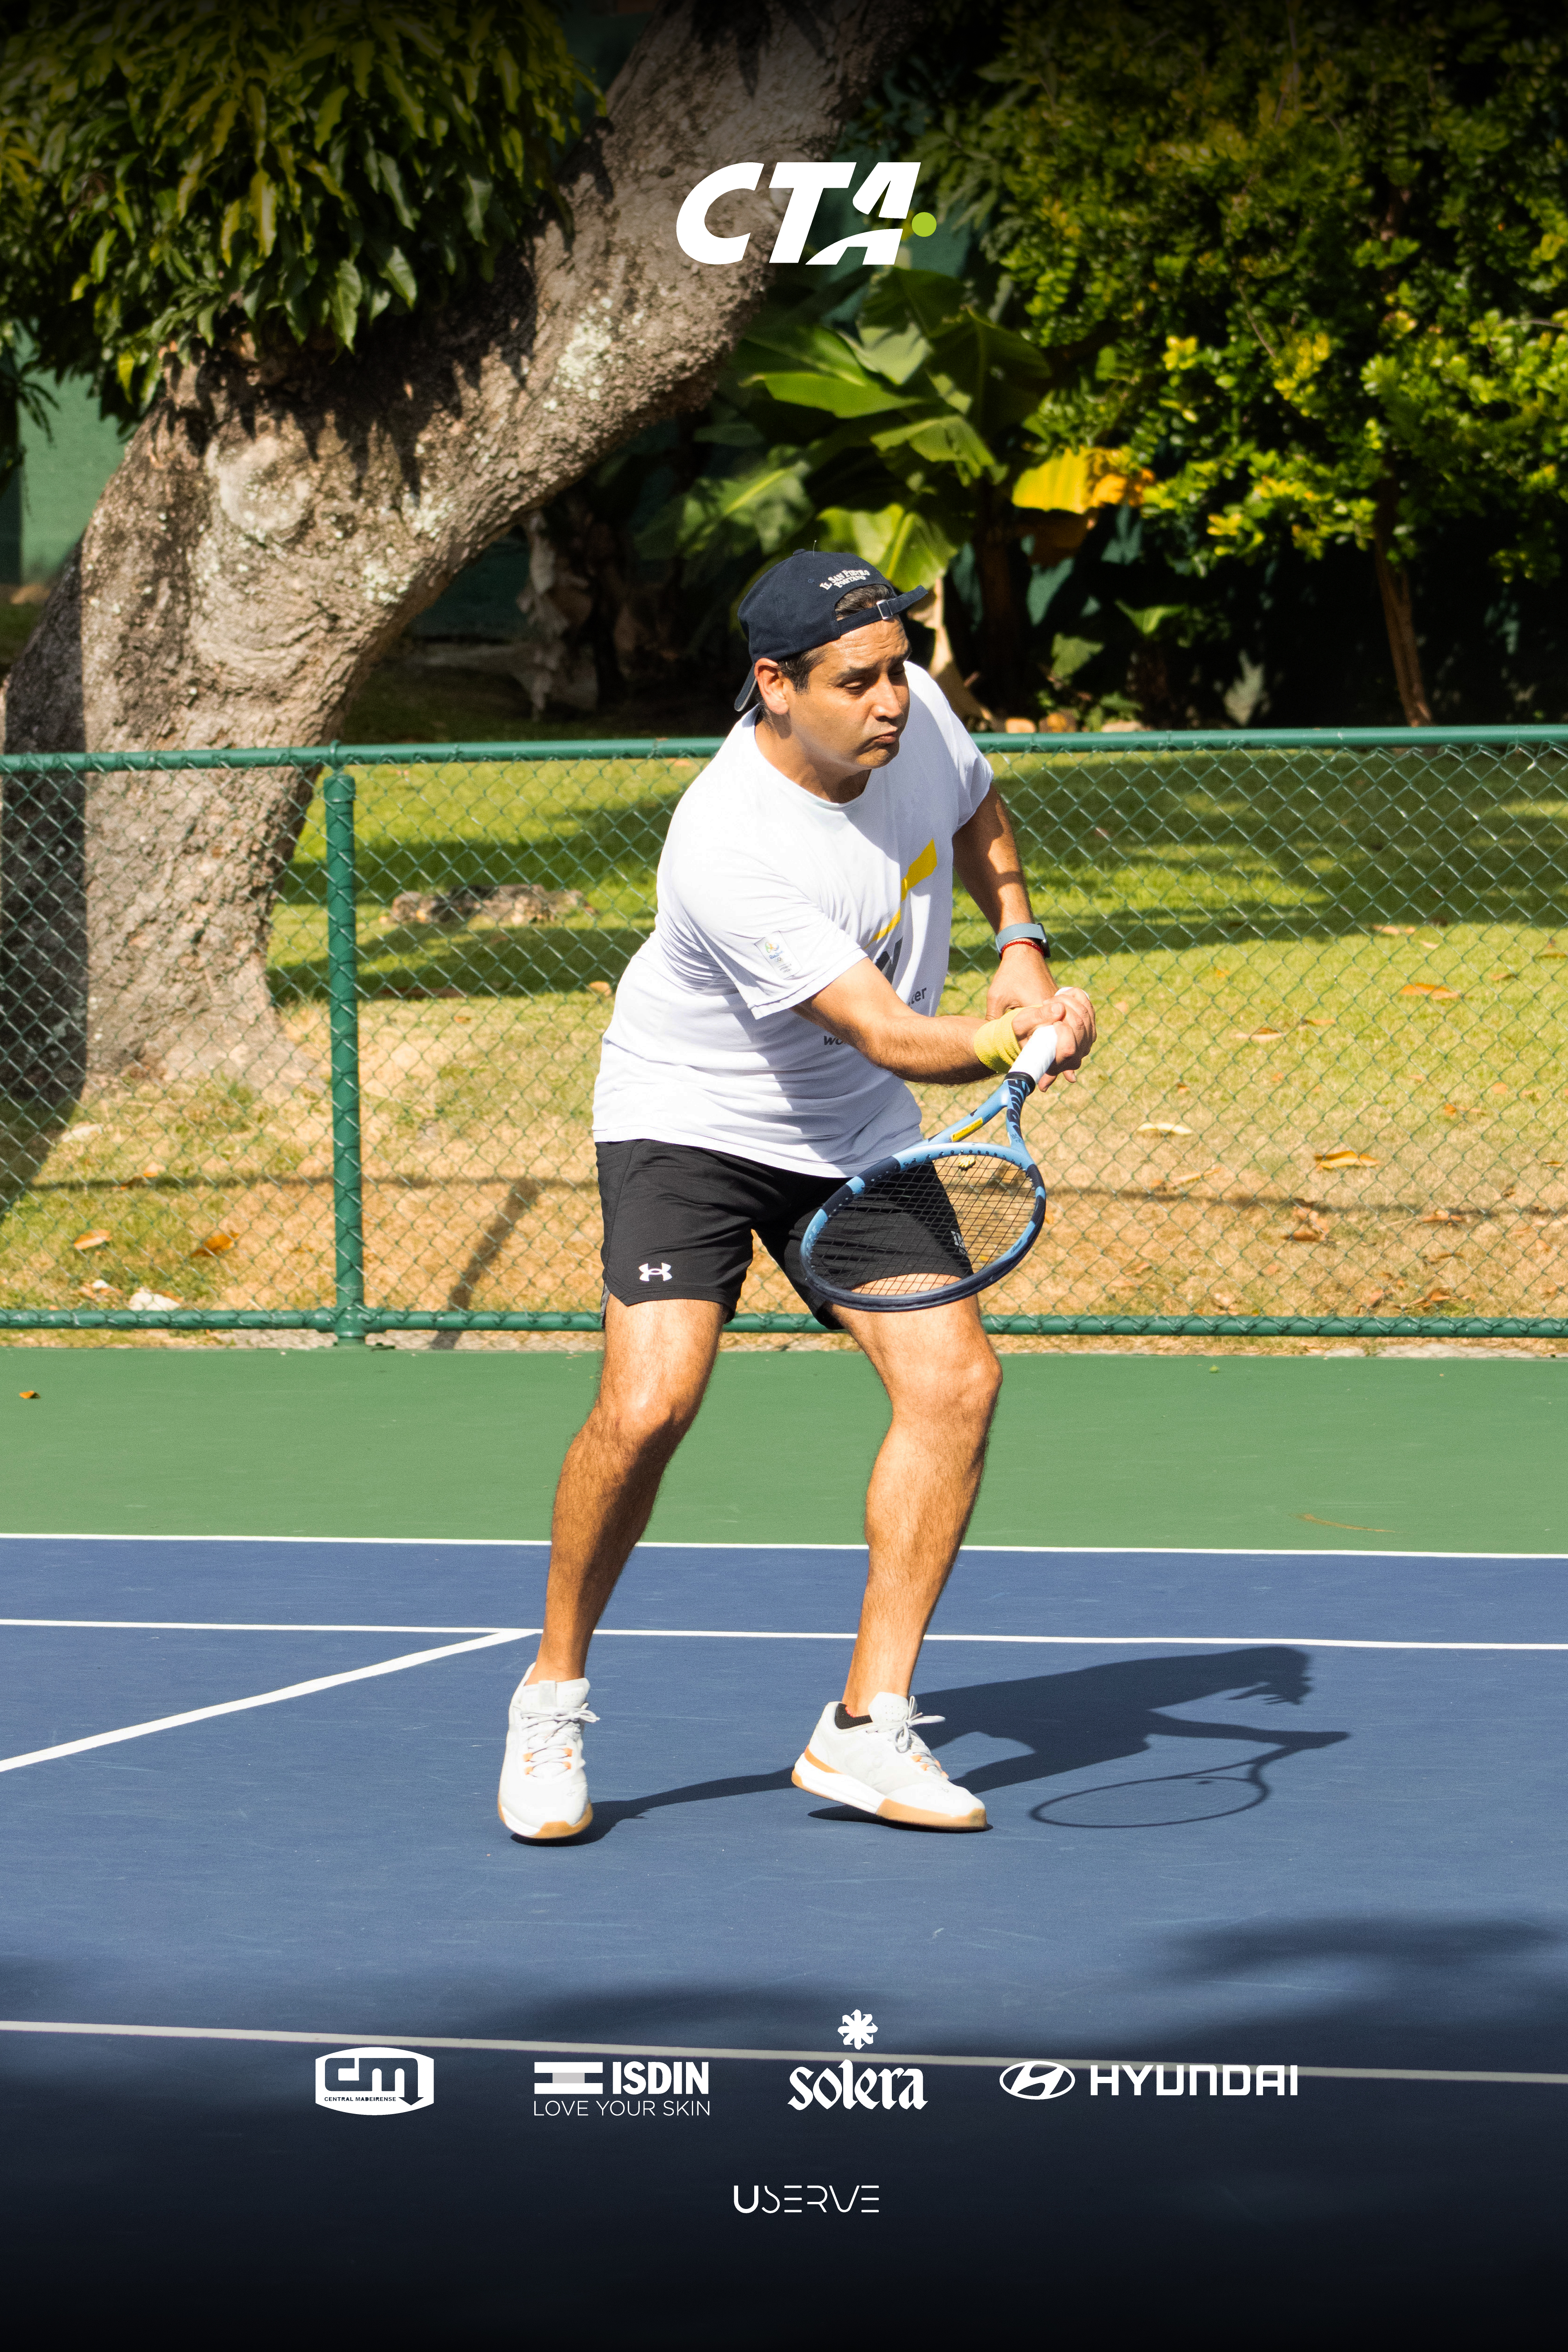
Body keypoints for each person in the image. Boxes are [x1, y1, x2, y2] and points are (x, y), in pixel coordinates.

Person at [497, 550, 1096, 1842]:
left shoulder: (913, 713)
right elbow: (883, 1030)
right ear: (773, 686)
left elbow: (978, 810)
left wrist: (1020, 949)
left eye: (903, 669)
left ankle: (866, 1727)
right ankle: (551, 1696)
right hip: (691, 1122)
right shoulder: (728, 843)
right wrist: (1019, 1038)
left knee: (957, 1383)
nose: (895, 702)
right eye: (857, 682)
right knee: (653, 1403)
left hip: (847, 1137)